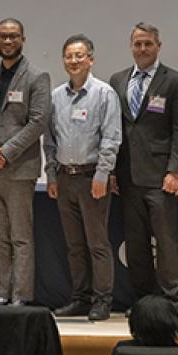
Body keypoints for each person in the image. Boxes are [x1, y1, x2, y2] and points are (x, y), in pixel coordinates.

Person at [109, 23, 178, 308]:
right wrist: (111, 171)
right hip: (127, 175)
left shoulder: (175, 81)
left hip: (161, 176)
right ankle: (143, 299)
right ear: (131, 46)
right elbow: (114, 129)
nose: (142, 49)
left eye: (148, 44)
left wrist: (176, 171)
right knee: (135, 244)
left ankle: (170, 299)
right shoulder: (118, 80)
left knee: (166, 242)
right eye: (137, 44)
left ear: (158, 46)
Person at [45, 34, 121, 322]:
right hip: (65, 179)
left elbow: (112, 138)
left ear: (91, 59)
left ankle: (102, 300)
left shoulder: (104, 94)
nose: (74, 61)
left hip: (93, 179)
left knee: (97, 244)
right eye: (69, 56)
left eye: (80, 55)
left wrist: (103, 174)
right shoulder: (55, 96)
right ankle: (80, 298)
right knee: (74, 245)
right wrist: (51, 174)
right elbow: (49, 141)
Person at [0, 18, 50, 307]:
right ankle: (3, 293)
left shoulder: (37, 76)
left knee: (20, 236)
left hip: (18, 168)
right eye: (3, 36)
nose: (8, 41)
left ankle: (21, 296)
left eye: (14, 37)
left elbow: (38, 122)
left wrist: (4, 153)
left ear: (23, 40)